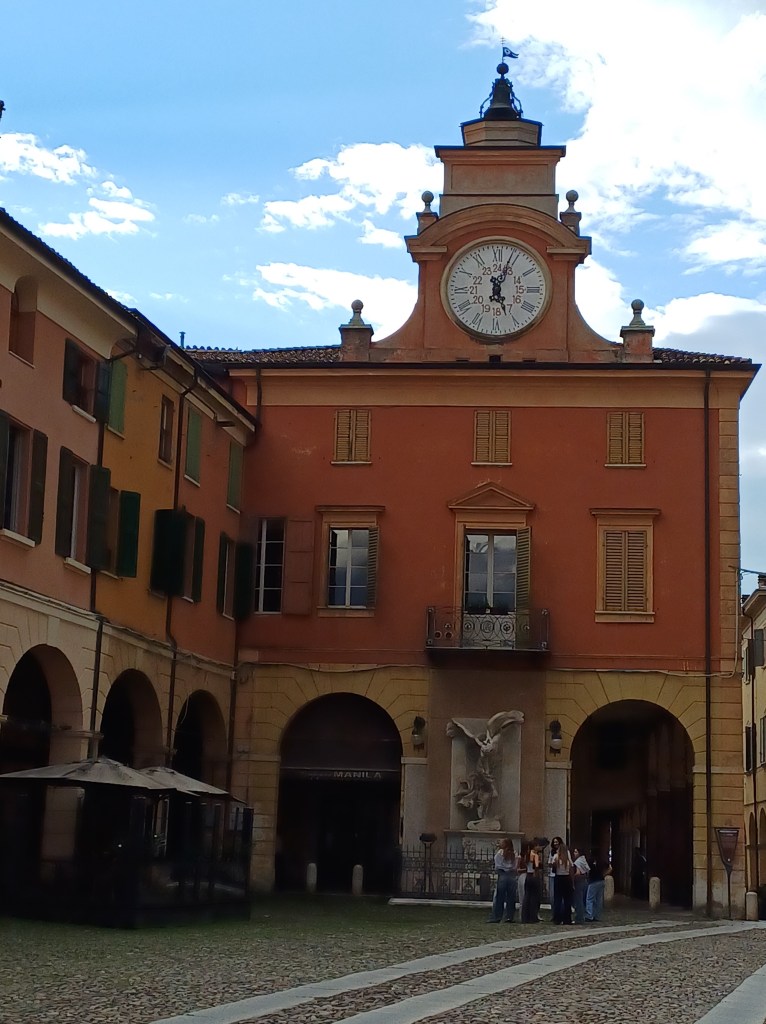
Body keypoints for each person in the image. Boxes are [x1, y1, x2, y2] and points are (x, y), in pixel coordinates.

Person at [488, 837, 519, 923]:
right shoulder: (514, 853)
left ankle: (497, 916)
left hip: (502, 874)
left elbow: (497, 866)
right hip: (511, 875)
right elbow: (515, 866)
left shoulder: (500, 853)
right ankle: (509, 916)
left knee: (500, 896)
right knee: (511, 897)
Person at [550, 838, 573, 924]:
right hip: (566, 878)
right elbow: (571, 867)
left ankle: (557, 919)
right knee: (567, 899)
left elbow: (553, 867)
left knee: (558, 899)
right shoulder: (567, 858)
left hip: (558, 878)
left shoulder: (556, 857)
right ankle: (567, 918)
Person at [586, 850, 611, 922]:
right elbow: (610, 868)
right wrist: (604, 874)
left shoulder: (590, 861)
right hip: (601, 880)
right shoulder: (602, 861)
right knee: (599, 900)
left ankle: (589, 915)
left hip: (593, 881)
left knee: (589, 899)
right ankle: (597, 916)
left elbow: (587, 870)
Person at [521, 840, 542, 923]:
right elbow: (536, 866)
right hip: (533, 876)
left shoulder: (527, 855)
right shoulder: (535, 855)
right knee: (534, 897)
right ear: (535, 846)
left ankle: (525, 917)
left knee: (527, 896)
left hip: (528, 875)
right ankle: (533, 917)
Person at [571, 846, 590, 924]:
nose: (574, 853)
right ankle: (582, 916)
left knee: (578, 900)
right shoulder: (583, 860)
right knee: (582, 899)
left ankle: (579, 917)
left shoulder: (578, 861)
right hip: (585, 880)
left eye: (576, 852)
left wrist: (572, 876)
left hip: (579, 881)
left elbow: (578, 873)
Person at [547, 836, 562, 919]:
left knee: (559, 896)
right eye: (554, 842)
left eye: (557, 842)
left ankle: (560, 913)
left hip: (560, 875)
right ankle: (554, 914)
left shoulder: (563, 852)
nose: (555, 843)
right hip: (552, 875)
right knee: (552, 896)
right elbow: (549, 863)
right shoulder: (552, 852)